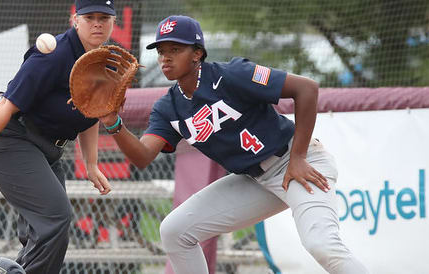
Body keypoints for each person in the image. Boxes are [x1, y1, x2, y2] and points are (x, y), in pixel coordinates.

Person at [99, 15, 370, 274]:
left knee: (322, 245)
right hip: (255, 180)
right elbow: (143, 155)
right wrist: (113, 121)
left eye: (175, 48)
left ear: (197, 53)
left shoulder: (232, 74)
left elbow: (306, 88)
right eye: (160, 50)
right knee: (174, 231)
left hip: (297, 163)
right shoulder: (168, 107)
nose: (165, 57)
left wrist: (299, 157)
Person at [0, 0, 116, 273]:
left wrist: (92, 164)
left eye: (104, 17)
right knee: (55, 218)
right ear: (76, 20)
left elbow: (91, 113)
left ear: (113, 22)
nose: (97, 23)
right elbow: (5, 105)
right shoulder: (54, 55)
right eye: (90, 17)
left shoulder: (104, 59)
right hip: (12, 140)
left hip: (47, 150)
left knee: (45, 233)